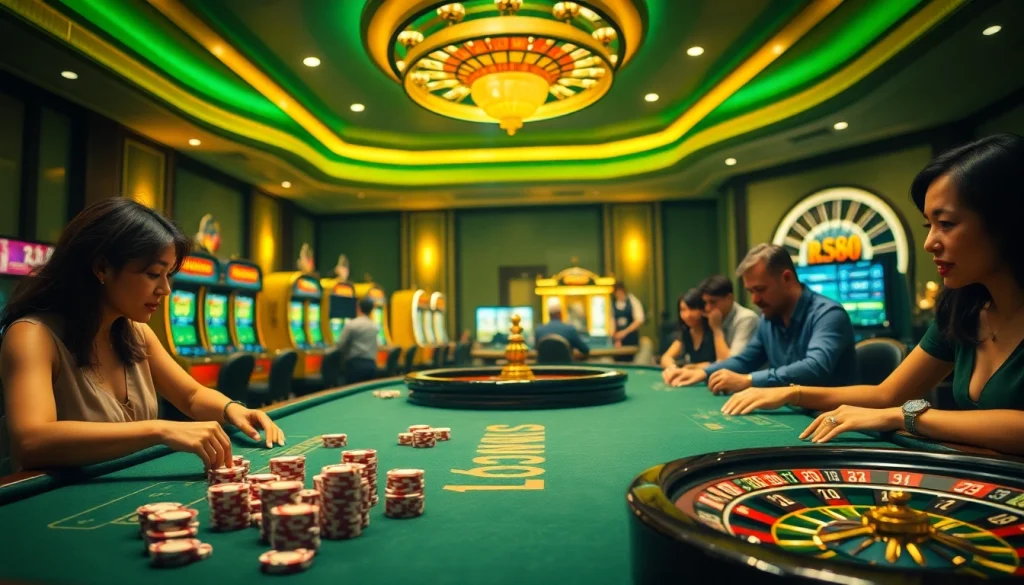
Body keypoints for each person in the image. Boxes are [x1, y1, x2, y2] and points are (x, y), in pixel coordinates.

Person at [721, 133, 1024, 455]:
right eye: (928, 227)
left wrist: (908, 417)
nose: (929, 243)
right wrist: (791, 394)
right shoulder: (961, 312)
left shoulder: (827, 312)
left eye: (946, 224)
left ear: (1008, 220)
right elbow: (886, 395)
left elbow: (892, 407)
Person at [0, 198, 284, 474]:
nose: (166, 290)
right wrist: (160, 429)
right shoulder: (32, 336)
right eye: (153, 274)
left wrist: (232, 409)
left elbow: (191, 395)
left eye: (168, 276)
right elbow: (32, 441)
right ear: (102, 268)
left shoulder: (136, 333)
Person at [668, 243, 857, 393]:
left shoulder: (828, 314)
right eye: (750, 291)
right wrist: (703, 373)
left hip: (833, 419)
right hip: (792, 410)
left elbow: (815, 367)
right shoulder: (769, 317)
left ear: (787, 278)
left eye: (760, 290)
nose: (754, 299)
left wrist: (749, 380)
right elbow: (745, 360)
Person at [659, 289, 719, 379]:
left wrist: (694, 367)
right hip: (694, 380)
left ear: (702, 309)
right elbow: (666, 357)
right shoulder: (686, 332)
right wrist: (673, 368)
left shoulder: (714, 330)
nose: (687, 315)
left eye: (692, 309)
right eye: (683, 310)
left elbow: (722, 362)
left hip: (713, 379)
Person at [337, 297, 381, 384]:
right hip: (371, 365)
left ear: (358, 308)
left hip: (355, 366)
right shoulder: (375, 326)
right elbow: (378, 345)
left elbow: (340, 345)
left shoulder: (352, 324)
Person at [610, 281, 645, 362]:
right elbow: (612, 322)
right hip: (618, 342)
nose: (618, 294)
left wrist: (624, 332)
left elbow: (639, 320)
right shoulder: (612, 303)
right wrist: (615, 337)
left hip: (631, 339)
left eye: (620, 292)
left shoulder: (632, 300)